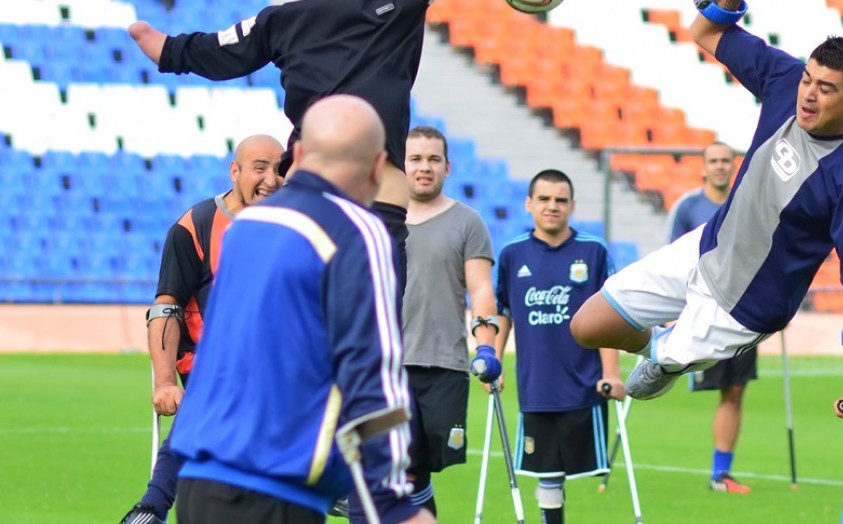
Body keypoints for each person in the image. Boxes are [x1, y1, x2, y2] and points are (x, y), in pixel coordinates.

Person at [124, 0, 633, 294]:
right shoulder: (279, 22)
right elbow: (216, 51)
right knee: (300, 351)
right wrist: (168, 50)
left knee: (369, 355)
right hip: (308, 203)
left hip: (378, 214)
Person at [570, 0, 843, 428]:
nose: (809, 95)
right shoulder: (785, 80)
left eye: (826, 89)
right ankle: (661, 347)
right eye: (809, 80)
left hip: (744, 308)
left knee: (644, 382)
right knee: (587, 325)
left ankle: (669, 356)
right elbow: (705, 29)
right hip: (705, 248)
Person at [169, 95, 433, 524]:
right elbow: (374, 370)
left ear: (300, 154)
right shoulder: (358, 229)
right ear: (378, 165)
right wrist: (393, 502)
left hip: (198, 482)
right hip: (276, 492)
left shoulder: (246, 227)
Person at [119, 134, 284, 524]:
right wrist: (163, 382)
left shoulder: (302, 226)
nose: (272, 180)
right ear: (235, 171)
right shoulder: (196, 226)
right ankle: (153, 504)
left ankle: (152, 504)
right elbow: (166, 308)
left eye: (280, 169)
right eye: (260, 168)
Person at [495, 169, 624, 524]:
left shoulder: (593, 251)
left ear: (572, 206)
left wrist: (611, 373)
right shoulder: (511, 254)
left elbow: (610, 315)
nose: (552, 206)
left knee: (575, 471)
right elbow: (502, 312)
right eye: (544, 199)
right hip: (536, 385)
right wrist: (494, 359)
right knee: (546, 473)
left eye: (560, 200)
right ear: (529, 204)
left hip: (584, 385)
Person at [399, 126, 501, 516]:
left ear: (447, 166)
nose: (424, 167)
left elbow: (480, 291)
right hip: (388, 364)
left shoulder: (467, 222)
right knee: (400, 463)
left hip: (445, 362)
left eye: (433, 159)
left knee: (423, 466)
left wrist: (487, 344)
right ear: (401, 164)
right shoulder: (382, 217)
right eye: (416, 159)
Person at [667, 142, 756, 494]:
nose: (720, 167)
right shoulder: (688, 207)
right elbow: (674, 256)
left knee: (735, 391)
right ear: (703, 168)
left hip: (745, 310)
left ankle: (721, 474)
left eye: (725, 161)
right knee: (670, 374)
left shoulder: (746, 202)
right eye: (714, 161)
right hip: (704, 310)